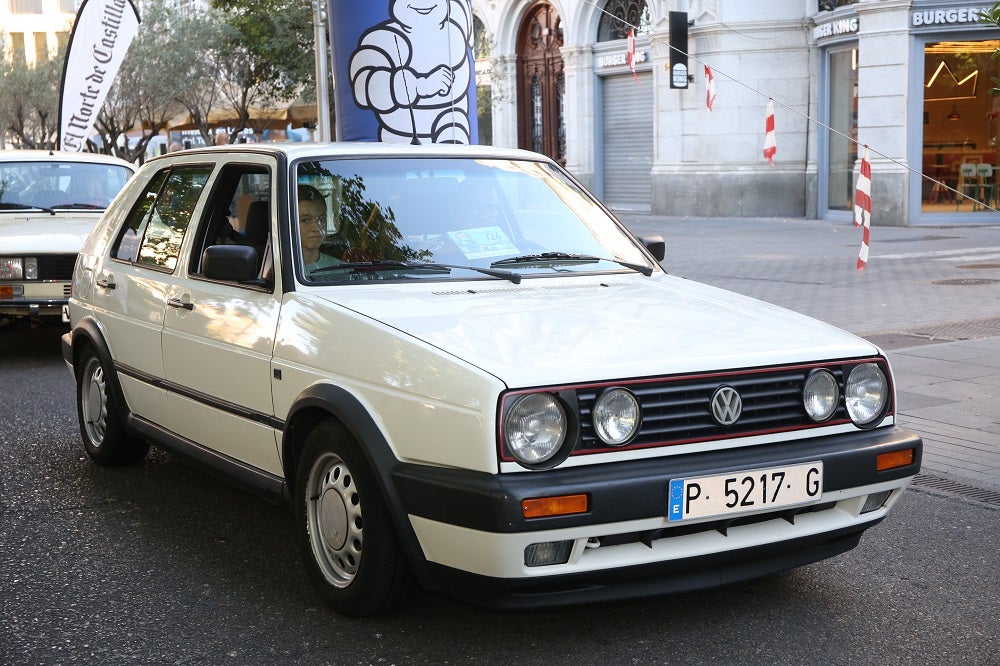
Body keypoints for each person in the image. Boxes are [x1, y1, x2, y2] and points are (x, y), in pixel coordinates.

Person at [297, 184, 342, 275]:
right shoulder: (278, 270)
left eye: (321, 219)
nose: (316, 227)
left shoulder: (342, 269)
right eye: (305, 220)